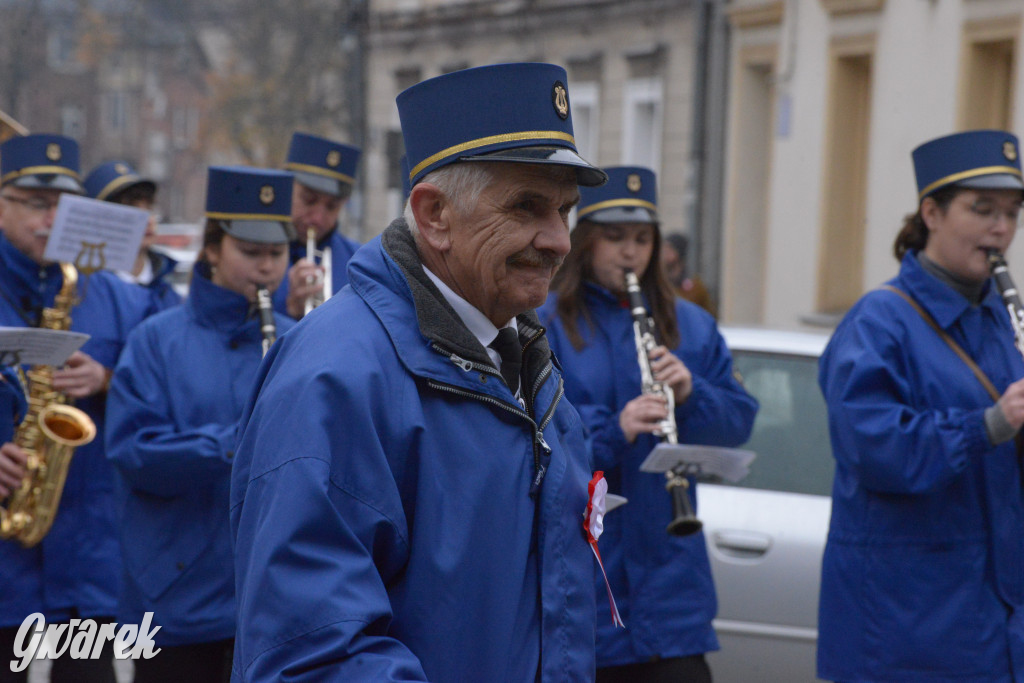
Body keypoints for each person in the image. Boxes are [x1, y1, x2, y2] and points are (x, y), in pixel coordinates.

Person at [230, 62, 608, 682]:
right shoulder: (336, 379)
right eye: (528, 207)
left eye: (566, 210)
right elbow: (312, 655)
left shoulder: (522, 357)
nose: (559, 240)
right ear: (434, 215)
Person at [817, 129, 1024, 681]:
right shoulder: (878, 322)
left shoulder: (1002, 319)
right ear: (931, 213)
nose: (1001, 228)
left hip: (991, 625)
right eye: (982, 210)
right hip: (903, 630)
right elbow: (873, 446)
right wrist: (990, 424)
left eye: (1011, 211)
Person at [537, 166, 758, 683]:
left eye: (642, 239)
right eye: (614, 238)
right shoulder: (545, 322)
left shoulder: (692, 325)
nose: (630, 252)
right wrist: (616, 428)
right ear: (584, 241)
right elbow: (534, 440)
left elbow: (739, 422)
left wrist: (691, 393)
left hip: (672, 596)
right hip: (587, 591)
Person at [106, 166, 296, 683]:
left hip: (275, 601)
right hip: (179, 599)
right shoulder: (155, 341)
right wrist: (235, 445)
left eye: (276, 254)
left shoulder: (299, 340)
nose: (266, 268)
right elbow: (134, 453)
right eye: (250, 253)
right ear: (212, 250)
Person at [0, 133, 153, 683]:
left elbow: (169, 383)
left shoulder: (111, 293)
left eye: (64, 207)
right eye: (37, 204)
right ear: (1, 202)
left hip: (91, 563)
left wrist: (111, 380)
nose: (51, 221)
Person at [273, 131, 361, 319]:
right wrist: (286, 310)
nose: (318, 219)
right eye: (309, 200)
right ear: (286, 188)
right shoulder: (254, 257)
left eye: (332, 206)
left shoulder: (360, 262)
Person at [83, 161, 182, 311]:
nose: (148, 219)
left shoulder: (168, 289)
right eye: (131, 209)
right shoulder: (84, 292)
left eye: (149, 207)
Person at [661, 232, 715, 317]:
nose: (664, 253)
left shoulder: (696, 287)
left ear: (678, 252)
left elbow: (709, 317)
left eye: (669, 248)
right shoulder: (660, 282)